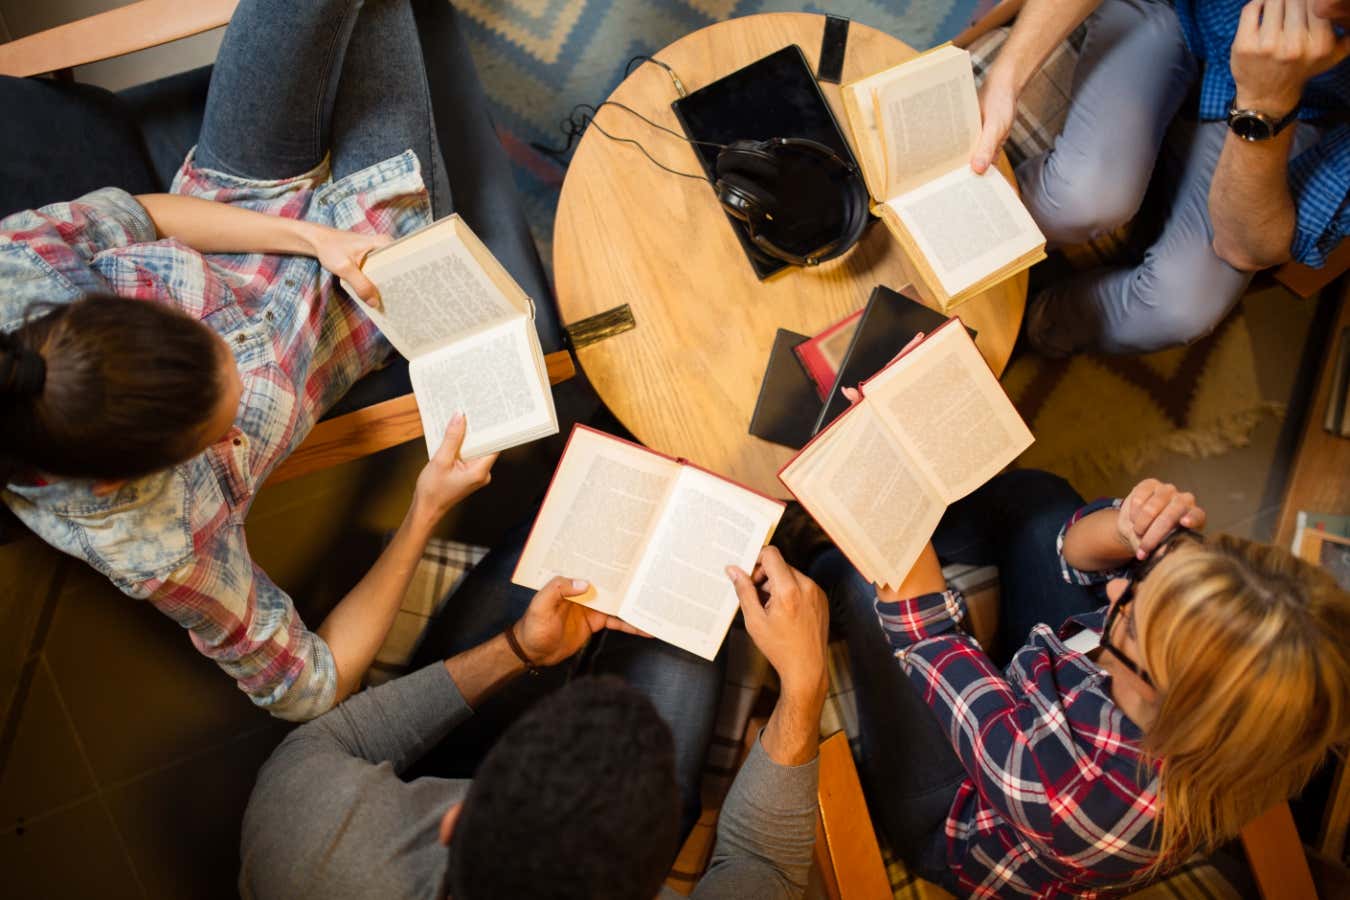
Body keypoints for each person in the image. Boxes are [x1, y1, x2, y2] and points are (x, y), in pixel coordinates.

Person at [0, 0, 555, 720]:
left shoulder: (19, 276)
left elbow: (147, 215)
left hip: (244, 195)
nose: (233, 356)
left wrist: (308, 240)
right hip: (369, 289)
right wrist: (425, 507)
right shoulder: (160, 542)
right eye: (228, 419)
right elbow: (312, 687)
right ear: (158, 462)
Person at [813, 465, 1350, 896]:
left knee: (867, 583)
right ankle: (921, 527)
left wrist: (885, 515)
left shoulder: (1068, 794)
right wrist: (1125, 530)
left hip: (958, 812)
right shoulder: (1214, 709)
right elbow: (1073, 555)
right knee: (1044, 501)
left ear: (1158, 692)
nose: (1116, 595)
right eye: (1149, 580)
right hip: (1037, 716)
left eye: (1131, 623)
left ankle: (817, 570)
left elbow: (928, 636)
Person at [238, 544, 830, 900]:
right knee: (690, 603)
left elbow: (342, 737)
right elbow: (765, 865)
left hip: (396, 828)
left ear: (455, 820)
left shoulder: (306, 842)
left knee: (552, 562)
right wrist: (804, 685)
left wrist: (522, 649)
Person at [972, 0, 1350, 355]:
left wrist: (1265, 107)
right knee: (1080, 198)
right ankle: (961, 244)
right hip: (1170, 9)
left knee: (1181, 307)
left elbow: (1245, 248)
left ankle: (1041, 323)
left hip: (1297, 109)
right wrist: (1006, 78)